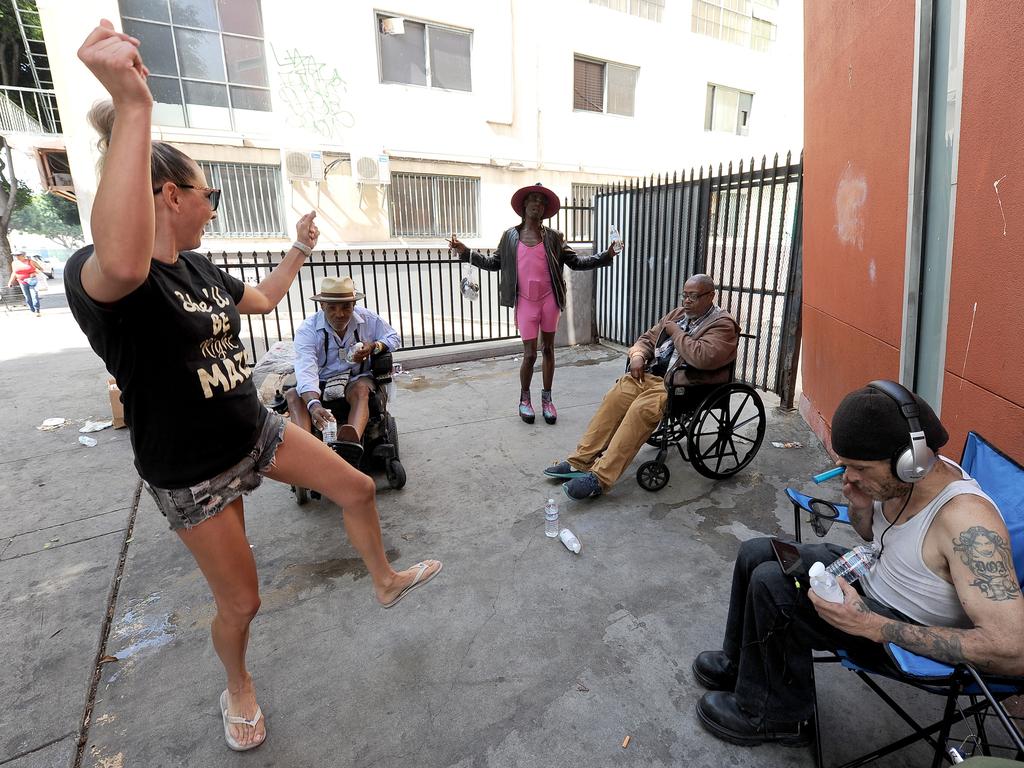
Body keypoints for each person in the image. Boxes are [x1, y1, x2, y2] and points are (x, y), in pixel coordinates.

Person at [66, 21, 441, 753]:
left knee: (359, 488)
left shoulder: (203, 271)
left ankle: (385, 579)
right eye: (208, 194)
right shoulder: (113, 277)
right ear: (169, 196)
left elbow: (265, 302)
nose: (214, 207)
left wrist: (301, 247)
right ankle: (237, 684)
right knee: (241, 601)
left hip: (252, 431)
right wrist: (133, 109)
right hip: (191, 469)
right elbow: (122, 259)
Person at [692, 383, 1024, 747]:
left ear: (910, 461)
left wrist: (874, 625)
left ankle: (777, 716)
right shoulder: (900, 481)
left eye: (860, 468)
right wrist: (861, 506)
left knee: (773, 586)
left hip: (898, 626)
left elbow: (1012, 650)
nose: (848, 477)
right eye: (845, 466)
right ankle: (740, 664)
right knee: (757, 551)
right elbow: (871, 537)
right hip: (872, 576)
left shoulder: (967, 524)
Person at [545, 274, 739, 500]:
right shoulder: (678, 314)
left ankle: (601, 477)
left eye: (693, 297)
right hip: (654, 375)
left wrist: (676, 332)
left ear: (711, 296)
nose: (686, 301)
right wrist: (637, 355)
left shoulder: (722, 325)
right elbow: (647, 338)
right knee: (616, 396)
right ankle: (580, 461)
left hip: (684, 384)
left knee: (641, 410)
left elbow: (702, 358)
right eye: (684, 295)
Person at [449, 182, 618, 424]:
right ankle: (524, 399)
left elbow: (576, 263)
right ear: (524, 205)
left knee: (548, 350)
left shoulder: (554, 238)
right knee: (529, 355)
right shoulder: (510, 237)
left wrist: (606, 255)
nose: (537, 204)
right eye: (533, 199)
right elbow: (493, 263)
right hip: (525, 302)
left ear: (545, 208)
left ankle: (547, 399)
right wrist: (466, 253)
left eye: (542, 201)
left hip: (550, 301)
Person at [285, 275, 401, 465]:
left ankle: (350, 446)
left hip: (356, 378)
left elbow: (394, 337)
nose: (340, 314)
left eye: (346, 307)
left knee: (361, 390)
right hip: (322, 381)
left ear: (354, 305)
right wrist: (314, 404)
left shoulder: (367, 319)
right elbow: (306, 369)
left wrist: (374, 347)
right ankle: (306, 454)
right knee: (293, 395)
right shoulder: (308, 330)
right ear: (322, 306)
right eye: (332, 307)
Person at [7, 249, 45, 315]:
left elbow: (41, 269)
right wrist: (10, 282)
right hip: (22, 282)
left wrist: (34, 273)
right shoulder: (14, 263)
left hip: (32, 281)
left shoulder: (31, 262)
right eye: (16, 255)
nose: (17, 257)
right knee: (27, 297)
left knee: (34, 295)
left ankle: (37, 310)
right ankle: (32, 309)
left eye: (19, 255)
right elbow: (14, 273)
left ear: (24, 255)